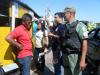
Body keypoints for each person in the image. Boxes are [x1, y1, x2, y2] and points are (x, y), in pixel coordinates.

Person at [56, 7, 88, 75]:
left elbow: (85, 43)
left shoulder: (80, 26)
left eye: (64, 13)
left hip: (75, 57)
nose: (63, 15)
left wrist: (83, 60)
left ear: (70, 14)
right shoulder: (64, 26)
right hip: (65, 55)